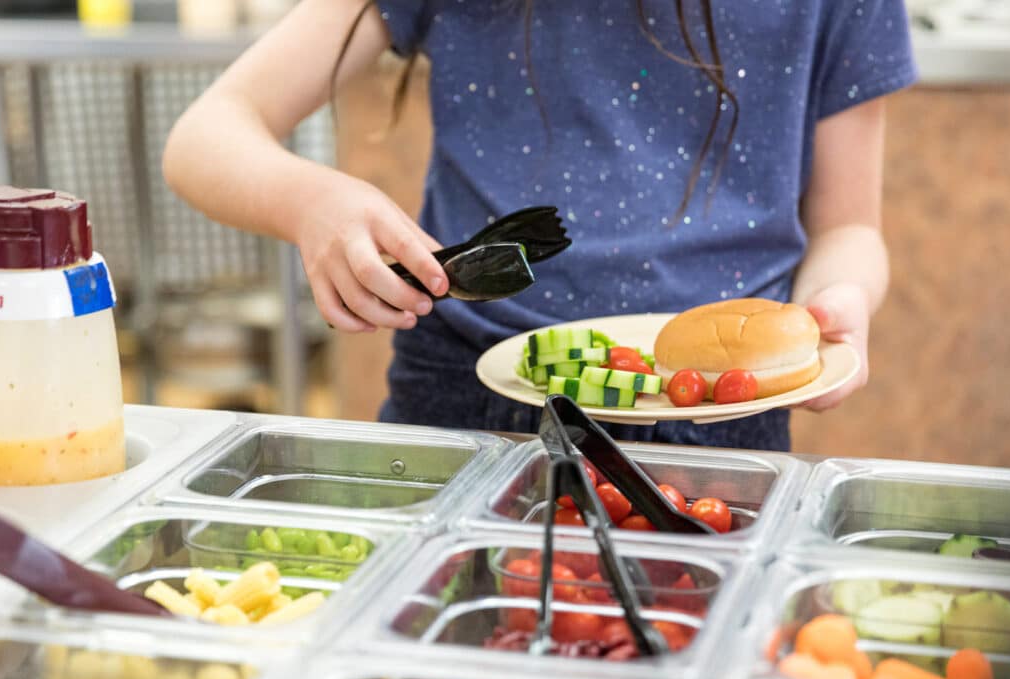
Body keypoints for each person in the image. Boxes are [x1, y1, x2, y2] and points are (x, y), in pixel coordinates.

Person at [163, 0, 918, 450]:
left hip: (719, 414)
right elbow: (205, 137)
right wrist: (309, 202)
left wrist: (836, 302)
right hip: (465, 396)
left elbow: (850, 226)